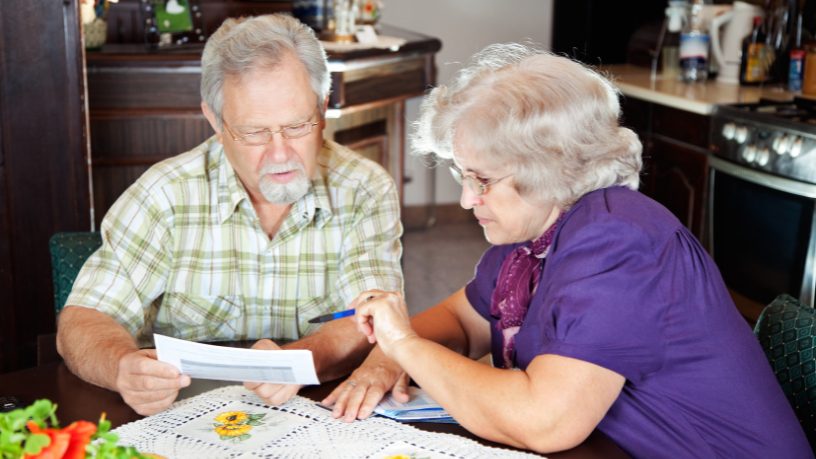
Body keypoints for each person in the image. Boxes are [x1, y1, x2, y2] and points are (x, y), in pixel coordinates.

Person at [323, 44, 812, 458]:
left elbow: (545, 421)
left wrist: (403, 345)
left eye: (483, 180)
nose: (467, 199)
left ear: (550, 169)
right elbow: (461, 322)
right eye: (462, 174)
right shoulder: (533, 237)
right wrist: (389, 357)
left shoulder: (619, 240)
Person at [57, 14, 402, 416]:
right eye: (254, 132)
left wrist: (293, 362)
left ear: (323, 108)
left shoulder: (365, 189)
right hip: (183, 420)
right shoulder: (164, 193)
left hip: (317, 414)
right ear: (216, 122)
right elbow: (83, 319)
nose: (279, 154)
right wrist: (121, 368)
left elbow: (377, 319)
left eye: (297, 126)